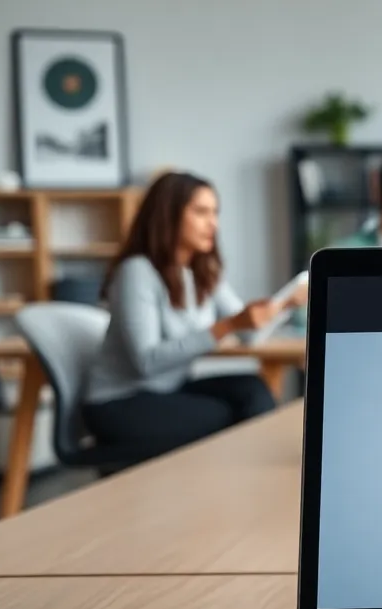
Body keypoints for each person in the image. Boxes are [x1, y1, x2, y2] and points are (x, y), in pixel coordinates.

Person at [83, 172, 308, 461]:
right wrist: (227, 326)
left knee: (254, 390)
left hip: (168, 390)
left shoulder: (202, 273)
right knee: (230, 415)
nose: (213, 223)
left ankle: (250, 486)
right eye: (201, 212)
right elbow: (146, 362)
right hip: (119, 403)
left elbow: (248, 333)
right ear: (169, 215)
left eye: (215, 213)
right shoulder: (137, 272)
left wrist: (285, 304)